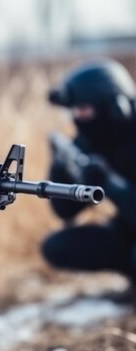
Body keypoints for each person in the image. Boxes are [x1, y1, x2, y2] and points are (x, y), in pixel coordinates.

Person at [42, 58, 136, 291]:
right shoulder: (90, 139)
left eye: (83, 109)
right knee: (58, 247)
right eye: (73, 111)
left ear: (114, 106)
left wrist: (109, 183)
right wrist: (61, 168)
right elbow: (64, 211)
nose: (77, 118)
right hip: (126, 229)